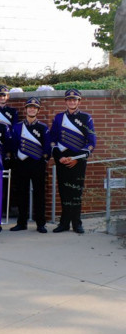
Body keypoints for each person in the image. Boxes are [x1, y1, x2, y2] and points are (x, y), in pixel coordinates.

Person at [50, 89, 96, 234]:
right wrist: (59, 157)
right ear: (65, 101)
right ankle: (64, 223)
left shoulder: (86, 118)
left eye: (74, 99)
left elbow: (91, 142)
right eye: (69, 99)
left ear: (79, 101)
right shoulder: (58, 118)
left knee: (76, 193)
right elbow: (52, 139)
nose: (72, 102)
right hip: (62, 160)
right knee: (64, 192)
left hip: (78, 161)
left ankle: (77, 223)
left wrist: (76, 159)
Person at [7, 97, 50, 233]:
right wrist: (16, 160)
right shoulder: (18, 127)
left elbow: (47, 146)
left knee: (39, 194)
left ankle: (40, 224)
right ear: (25, 109)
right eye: (29, 107)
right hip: (21, 164)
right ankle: (22, 222)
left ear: (38, 110)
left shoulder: (42, 127)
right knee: (21, 194)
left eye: (34, 107)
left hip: (37, 163)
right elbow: (13, 145)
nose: (32, 109)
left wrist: (43, 160)